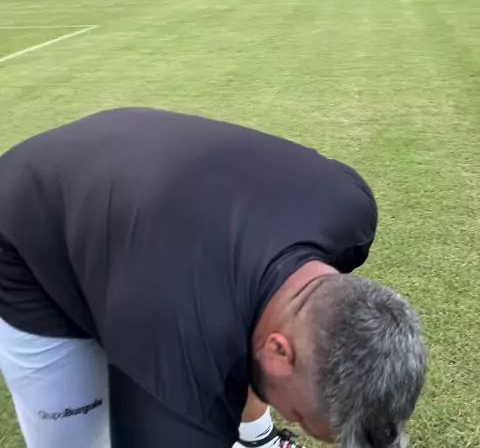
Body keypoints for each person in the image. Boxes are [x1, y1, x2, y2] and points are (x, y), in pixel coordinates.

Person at [0, 109, 427, 448]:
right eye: (298, 416)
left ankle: (255, 437)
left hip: (131, 165)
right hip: (22, 224)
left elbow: (270, 322)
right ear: (279, 351)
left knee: (263, 313)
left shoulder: (350, 207)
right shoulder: (175, 349)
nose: (293, 417)